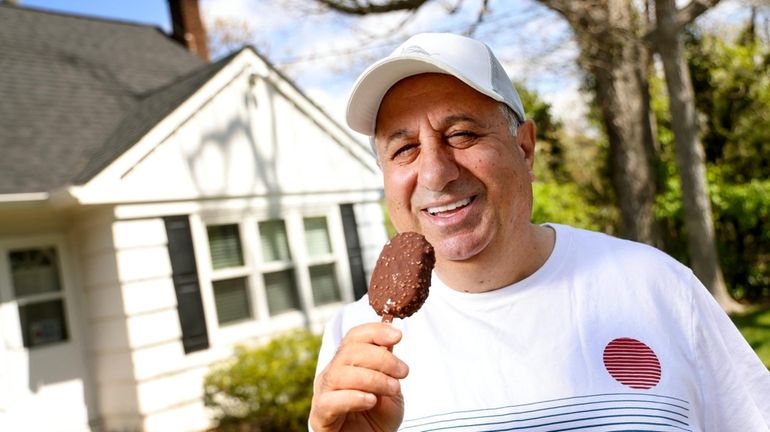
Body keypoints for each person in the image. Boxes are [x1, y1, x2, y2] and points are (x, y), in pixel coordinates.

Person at [309, 32, 770, 432]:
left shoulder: (656, 286)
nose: (434, 173)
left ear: (525, 149)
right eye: (405, 149)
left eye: (462, 134)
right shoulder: (356, 345)